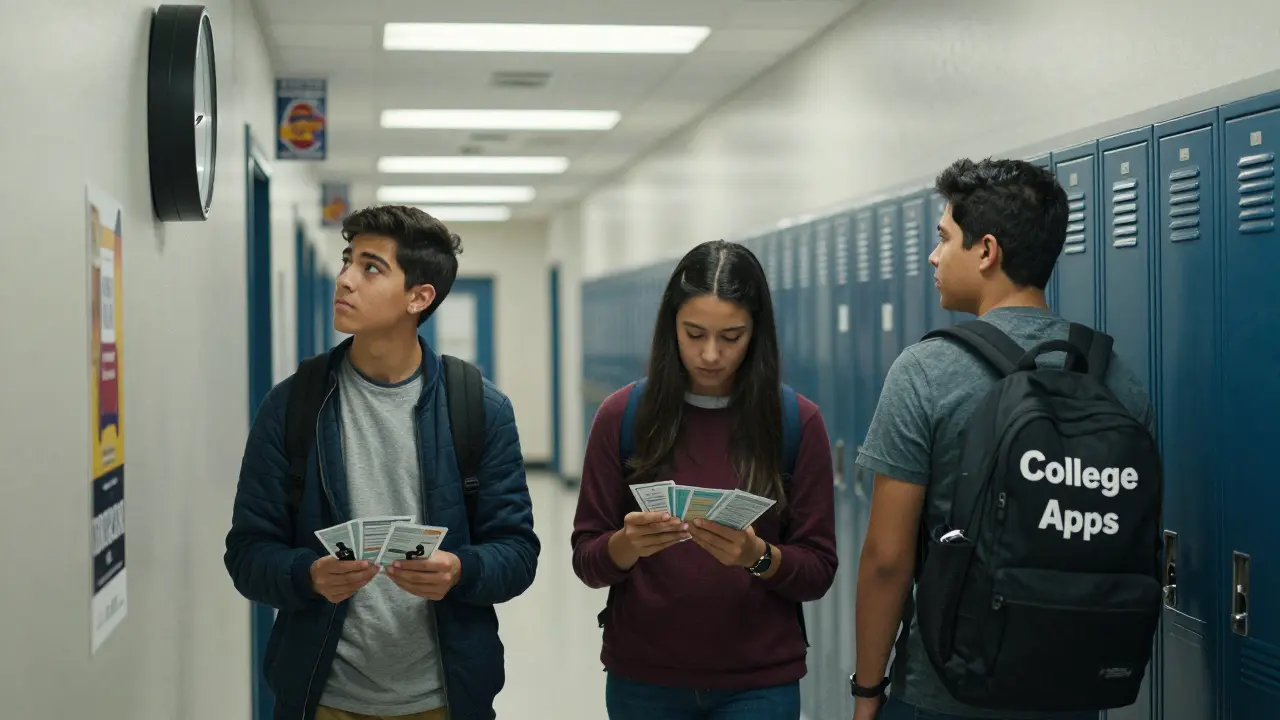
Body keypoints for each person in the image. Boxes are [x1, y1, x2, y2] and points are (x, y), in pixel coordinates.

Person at [849, 158, 1155, 720]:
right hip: (1071, 690)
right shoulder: (1116, 379)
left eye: (944, 239)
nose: (933, 256)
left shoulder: (926, 371)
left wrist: (867, 691)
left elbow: (887, 559)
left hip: (944, 693)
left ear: (986, 251)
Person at [224, 205, 540, 720]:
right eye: (347, 261)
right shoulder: (292, 406)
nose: (345, 279)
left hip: (444, 698)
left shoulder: (480, 408)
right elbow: (248, 553)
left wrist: (461, 569)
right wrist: (308, 575)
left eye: (370, 268)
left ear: (419, 297)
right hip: (321, 697)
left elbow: (518, 551)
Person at [571, 240, 839, 720]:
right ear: (670, 326)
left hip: (758, 683)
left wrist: (757, 557)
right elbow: (588, 561)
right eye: (694, 333)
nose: (710, 354)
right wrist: (628, 544)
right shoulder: (622, 417)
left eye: (731, 337)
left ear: (756, 333)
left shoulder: (797, 422)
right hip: (644, 679)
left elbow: (818, 569)